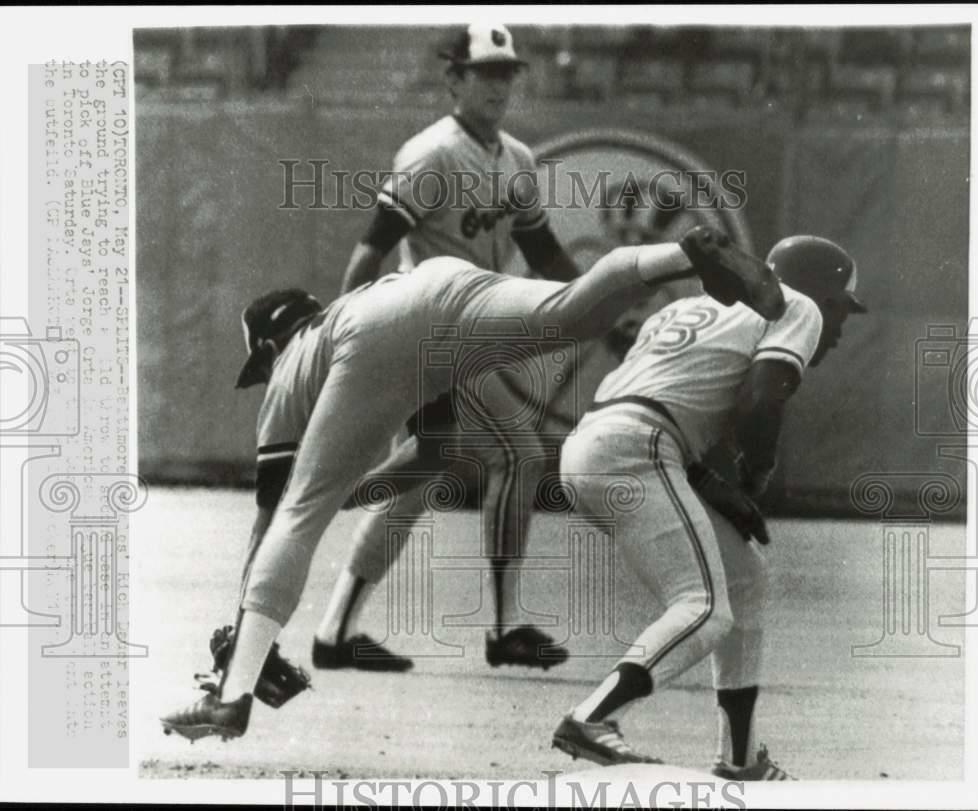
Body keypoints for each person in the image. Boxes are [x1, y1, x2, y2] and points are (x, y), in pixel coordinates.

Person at [158, 225, 785, 742]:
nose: (263, 377)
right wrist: (348, 486)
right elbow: (433, 456)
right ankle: (683, 252)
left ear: (271, 344)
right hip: (441, 286)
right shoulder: (360, 311)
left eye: (260, 364)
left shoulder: (294, 361)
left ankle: (231, 699)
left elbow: (271, 521)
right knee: (569, 312)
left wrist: (246, 634)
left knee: (296, 514)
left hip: (377, 335)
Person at [313, 23, 587, 673]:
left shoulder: (517, 159)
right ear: (455, 80)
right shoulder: (430, 154)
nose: (499, 84)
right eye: (485, 72)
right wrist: (343, 336)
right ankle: (502, 627)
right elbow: (370, 249)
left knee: (420, 475)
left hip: (465, 332)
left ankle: (333, 632)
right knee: (518, 454)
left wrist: (600, 296)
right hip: (428, 330)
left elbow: (545, 252)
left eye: (507, 72)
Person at [550, 235, 866, 780]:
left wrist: (707, 482)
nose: (839, 325)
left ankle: (740, 761)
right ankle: (593, 718)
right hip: (638, 447)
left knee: (744, 580)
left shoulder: (690, 306)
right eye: (842, 306)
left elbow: (662, 392)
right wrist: (757, 468)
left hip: (598, 442)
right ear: (821, 292)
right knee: (703, 607)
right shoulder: (799, 305)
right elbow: (763, 397)